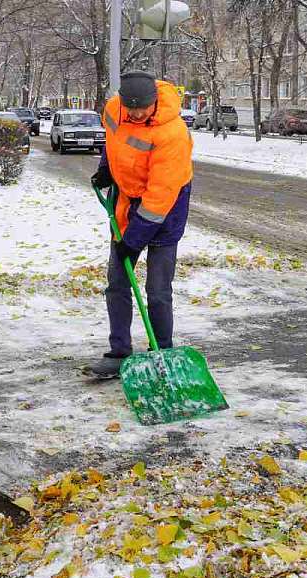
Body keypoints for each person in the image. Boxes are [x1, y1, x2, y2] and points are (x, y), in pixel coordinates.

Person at [88, 71, 193, 379]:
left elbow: (160, 197)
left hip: (166, 208)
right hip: (125, 200)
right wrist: (106, 169)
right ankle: (119, 351)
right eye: (130, 107)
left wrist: (131, 241)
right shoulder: (113, 110)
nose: (135, 114)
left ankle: (162, 351)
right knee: (117, 282)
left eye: (142, 108)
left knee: (157, 289)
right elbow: (114, 140)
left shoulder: (172, 134)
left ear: (154, 101)